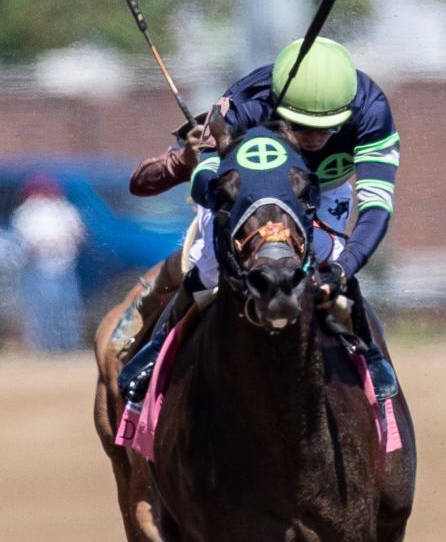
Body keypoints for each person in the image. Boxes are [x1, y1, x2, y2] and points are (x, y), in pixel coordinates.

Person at [118, 36, 400, 403]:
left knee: (328, 257)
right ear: (279, 105)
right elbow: (206, 182)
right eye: (301, 127)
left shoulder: (371, 109)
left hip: (322, 190)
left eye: (327, 128)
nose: (315, 138)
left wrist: (343, 270)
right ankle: (158, 346)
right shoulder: (246, 103)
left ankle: (366, 346)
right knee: (209, 265)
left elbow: (377, 207)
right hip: (249, 192)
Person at [11, 175, 84, 353]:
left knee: (67, 309)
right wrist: (45, 245)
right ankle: (44, 348)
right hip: (39, 268)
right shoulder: (27, 212)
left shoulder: (64, 209)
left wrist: (63, 244)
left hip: (65, 266)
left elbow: (78, 233)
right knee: (42, 311)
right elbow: (24, 240)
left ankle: (68, 347)